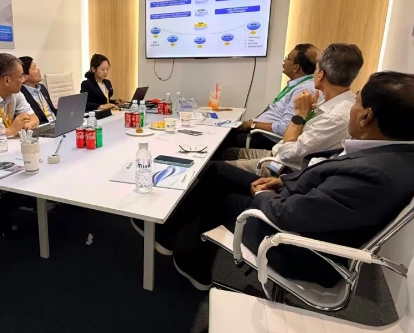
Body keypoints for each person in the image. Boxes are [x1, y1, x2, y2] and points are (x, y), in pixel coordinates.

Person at [132, 71, 414, 291]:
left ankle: (190, 258)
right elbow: (324, 193)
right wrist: (281, 183)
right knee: (215, 172)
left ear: (366, 116)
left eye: (357, 101)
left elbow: (290, 214)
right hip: (298, 203)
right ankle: (170, 236)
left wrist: (263, 195)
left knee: (220, 198)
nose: (350, 106)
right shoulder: (390, 155)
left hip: (296, 247)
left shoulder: (376, 174)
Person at [227, 43, 364, 175]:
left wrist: (300, 115)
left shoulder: (336, 117)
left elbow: (288, 154)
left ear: (321, 75)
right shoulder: (330, 103)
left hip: (282, 168)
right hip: (277, 153)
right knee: (226, 152)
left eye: (315, 70)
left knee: (216, 167)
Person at [224, 44, 319, 151]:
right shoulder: (298, 84)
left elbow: (284, 129)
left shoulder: (304, 90)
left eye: (288, 58)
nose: (284, 60)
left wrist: (253, 124)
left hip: (266, 138)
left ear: (296, 67)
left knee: (221, 140)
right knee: (224, 130)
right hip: (259, 131)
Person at [18, 56, 57, 124]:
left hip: (55, 123)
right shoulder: (20, 94)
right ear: (25, 76)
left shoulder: (42, 88)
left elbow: (52, 110)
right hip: (42, 127)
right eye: (34, 68)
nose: (39, 70)